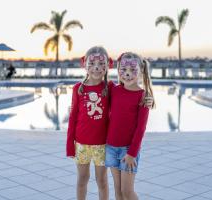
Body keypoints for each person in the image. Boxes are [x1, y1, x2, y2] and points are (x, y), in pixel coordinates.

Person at [105, 52, 155, 200]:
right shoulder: (114, 90)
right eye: (124, 70)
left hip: (128, 150)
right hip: (111, 147)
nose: (127, 74)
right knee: (118, 191)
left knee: (127, 191)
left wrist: (132, 153)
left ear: (141, 71)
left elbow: (140, 129)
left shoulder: (143, 97)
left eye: (133, 70)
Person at [66, 46, 112, 200]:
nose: (97, 68)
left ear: (108, 65)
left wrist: (146, 99)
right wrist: (69, 145)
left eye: (101, 64)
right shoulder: (78, 89)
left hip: (102, 145)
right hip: (81, 144)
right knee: (82, 179)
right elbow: (73, 117)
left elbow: (128, 95)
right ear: (84, 65)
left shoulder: (110, 88)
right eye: (92, 64)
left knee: (102, 181)